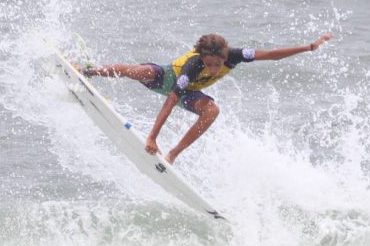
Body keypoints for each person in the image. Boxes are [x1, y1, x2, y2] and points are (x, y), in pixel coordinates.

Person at [79, 32, 333, 164]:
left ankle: (174, 154)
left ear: (225, 57)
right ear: (202, 58)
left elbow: (273, 54)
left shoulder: (235, 55)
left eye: (217, 64)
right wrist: (152, 136)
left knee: (212, 111)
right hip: (165, 79)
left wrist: (310, 47)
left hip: (188, 95)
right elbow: (169, 101)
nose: (213, 69)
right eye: (209, 64)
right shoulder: (192, 67)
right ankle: (88, 71)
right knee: (139, 71)